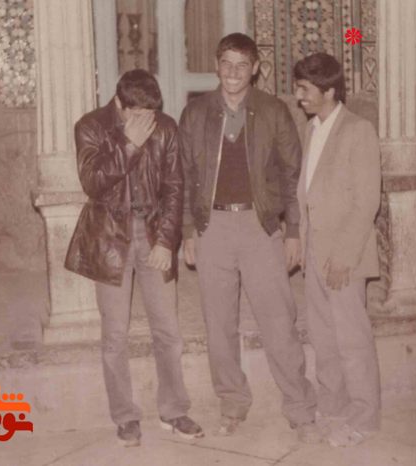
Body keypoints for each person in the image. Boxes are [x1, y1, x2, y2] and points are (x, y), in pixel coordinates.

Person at [178, 33, 319, 443]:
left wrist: (293, 231)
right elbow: (184, 175)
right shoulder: (196, 113)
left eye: (242, 64)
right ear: (216, 65)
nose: (233, 72)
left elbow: (293, 175)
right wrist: (188, 231)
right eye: (226, 63)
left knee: (279, 321)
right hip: (213, 228)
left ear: (256, 68)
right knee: (219, 325)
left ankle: (300, 408)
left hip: (261, 227)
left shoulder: (274, 111)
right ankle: (233, 403)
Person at [64, 69, 203, 447]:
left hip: (154, 234)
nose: (146, 121)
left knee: (168, 330)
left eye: (151, 113)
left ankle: (174, 410)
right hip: (111, 239)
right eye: (137, 114)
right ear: (120, 104)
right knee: (115, 334)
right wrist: (128, 144)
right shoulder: (91, 126)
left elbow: (175, 188)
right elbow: (92, 183)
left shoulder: (166, 127)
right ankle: (125, 417)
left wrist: (166, 242)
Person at [293, 52, 382, 447]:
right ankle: (332, 407)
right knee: (324, 336)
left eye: (304, 89)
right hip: (315, 249)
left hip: (344, 254)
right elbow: (308, 192)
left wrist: (345, 258)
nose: (298, 96)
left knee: (352, 340)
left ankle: (364, 418)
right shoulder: (312, 128)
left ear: (329, 91)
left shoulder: (358, 130)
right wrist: (303, 242)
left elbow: (366, 202)